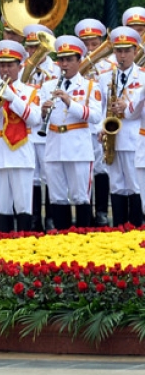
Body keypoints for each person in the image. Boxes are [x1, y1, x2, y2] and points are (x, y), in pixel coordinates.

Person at [0, 40, 42, 232]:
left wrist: (13, 99)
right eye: (2, 65)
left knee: (23, 206)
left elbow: (34, 119)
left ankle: (23, 245)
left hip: (22, 155)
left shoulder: (30, 91)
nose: (5, 69)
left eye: (10, 65)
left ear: (19, 66)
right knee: (1, 206)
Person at [40, 35, 103, 230]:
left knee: (80, 195)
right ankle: (62, 236)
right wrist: (43, 112)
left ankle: (82, 237)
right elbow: (39, 119)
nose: (64, 64)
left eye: (69, 60)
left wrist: (70, 101)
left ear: (79, 61)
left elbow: (95, 116)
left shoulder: (90, 86)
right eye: (61, 60)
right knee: (57, 196)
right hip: (54, 145)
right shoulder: (47, 86)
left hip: (78, 147)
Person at [99, 28, 144, 226]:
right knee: (116, 185)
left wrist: (126, 108)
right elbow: (102, 109)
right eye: (118, 51)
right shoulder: (105, 78)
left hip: (133, 137)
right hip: (113, 138)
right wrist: (102, 128)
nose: (122, 55)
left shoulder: (143, 77)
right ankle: (118, 228)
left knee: (134, 185)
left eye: (126, 51)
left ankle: (135, 228)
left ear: (135, 52)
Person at [75, 18, 113, 227]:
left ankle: (101, 212)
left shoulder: (110, 67)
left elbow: (109, 100)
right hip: (80, 127)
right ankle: (85, 211)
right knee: (82, 171)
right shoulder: (73, 64)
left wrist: (105, 126)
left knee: (101, 169)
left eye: (94, 43)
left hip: (100, 126)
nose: (90, 48)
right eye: (86, 43)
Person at [22, 24, 58, 231]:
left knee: (49, 175)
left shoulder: (54, 69)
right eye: (31, 47)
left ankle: (51, 218)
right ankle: (34, 219)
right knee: (32, 176)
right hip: (28, 131)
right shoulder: (21, 69)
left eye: (38, 47)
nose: (33, 51)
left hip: (48, 131)